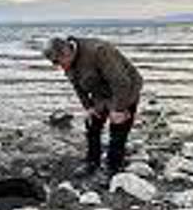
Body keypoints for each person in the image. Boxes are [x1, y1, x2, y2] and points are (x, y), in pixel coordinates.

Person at [43, 36, 143, 176]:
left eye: (58, 62)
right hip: (100, 93)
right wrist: (88, 107)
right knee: (91, 125)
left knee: (118, 129)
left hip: (125, 89)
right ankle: (92, 162)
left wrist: (118, 109)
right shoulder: (67, 62)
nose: (58, 66)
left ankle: (113, 168)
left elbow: (121, 82)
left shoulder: (99, 51)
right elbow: (77, 86)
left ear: (66, 52)